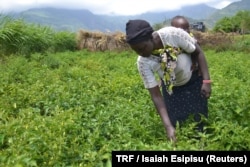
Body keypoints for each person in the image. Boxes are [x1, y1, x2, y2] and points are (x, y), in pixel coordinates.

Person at [125, 19, 211, 141]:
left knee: (199, 120)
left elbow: (198, 52)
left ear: (150, 37)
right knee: (178, 124)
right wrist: (168, 127)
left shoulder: (172, 35)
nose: (141, 53)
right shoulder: (143, 62)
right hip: (172, 88)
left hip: (193, 79)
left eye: (142, 48)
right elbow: (156, 96)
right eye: (136, 51)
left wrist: (206, 81)